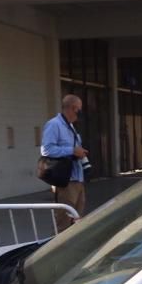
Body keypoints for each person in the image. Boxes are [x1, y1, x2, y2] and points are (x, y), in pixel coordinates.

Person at [42, 94, 89, 231]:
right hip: (65, 180)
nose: (79, 114)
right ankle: (58, 248)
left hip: (77, 178)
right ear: (72, 108)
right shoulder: (54, 125)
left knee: (77, 218)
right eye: (78, 110)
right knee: (64, 220)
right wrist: (72, 151)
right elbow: (47, 150)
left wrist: (79, 153)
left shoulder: (70, 127)